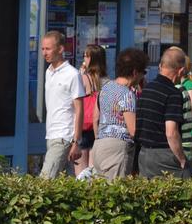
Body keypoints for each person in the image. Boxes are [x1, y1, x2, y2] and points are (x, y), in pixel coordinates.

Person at [92, 48, 147, 180]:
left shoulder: (105, 88)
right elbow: (133, 130)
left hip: (99, 145)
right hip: (117, 147)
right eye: (143, 72)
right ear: (134, 72)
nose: (142, 77)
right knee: (115, 192)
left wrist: (99, 137)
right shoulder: (127, 94)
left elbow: (95, 118)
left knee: (100, 192)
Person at [135, 48, 189, 178]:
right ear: (180, 70)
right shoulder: (173, 93)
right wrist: (182, 159)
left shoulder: (146, 90)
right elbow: (171, 133)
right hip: (164, 155)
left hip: (144, 154)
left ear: (160, 66)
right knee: (186, 188)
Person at [39, 31, 84, 178]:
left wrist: (76, 141)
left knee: (44, 181)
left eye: (48, 49)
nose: (44, 53)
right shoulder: (48, 71)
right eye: (43, 49)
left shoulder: (72, 74)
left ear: (60, 49)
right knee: (64, 185)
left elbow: (79, 109)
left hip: (64, 136)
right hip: (51, 135)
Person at [74, 44, 109, 178]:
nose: (84, 58)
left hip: (83, 125)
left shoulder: (82, 78)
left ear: (92, 59)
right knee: (93, 171)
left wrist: (80, 72)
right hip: (99, 126)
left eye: (86, 56)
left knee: (81, 171)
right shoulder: (107, 80)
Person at [168, 47, 192, 175]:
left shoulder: (189, 86)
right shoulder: (174, 85)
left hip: (188, 137)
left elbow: (189, 115)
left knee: (186, 173)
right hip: (177, 136)